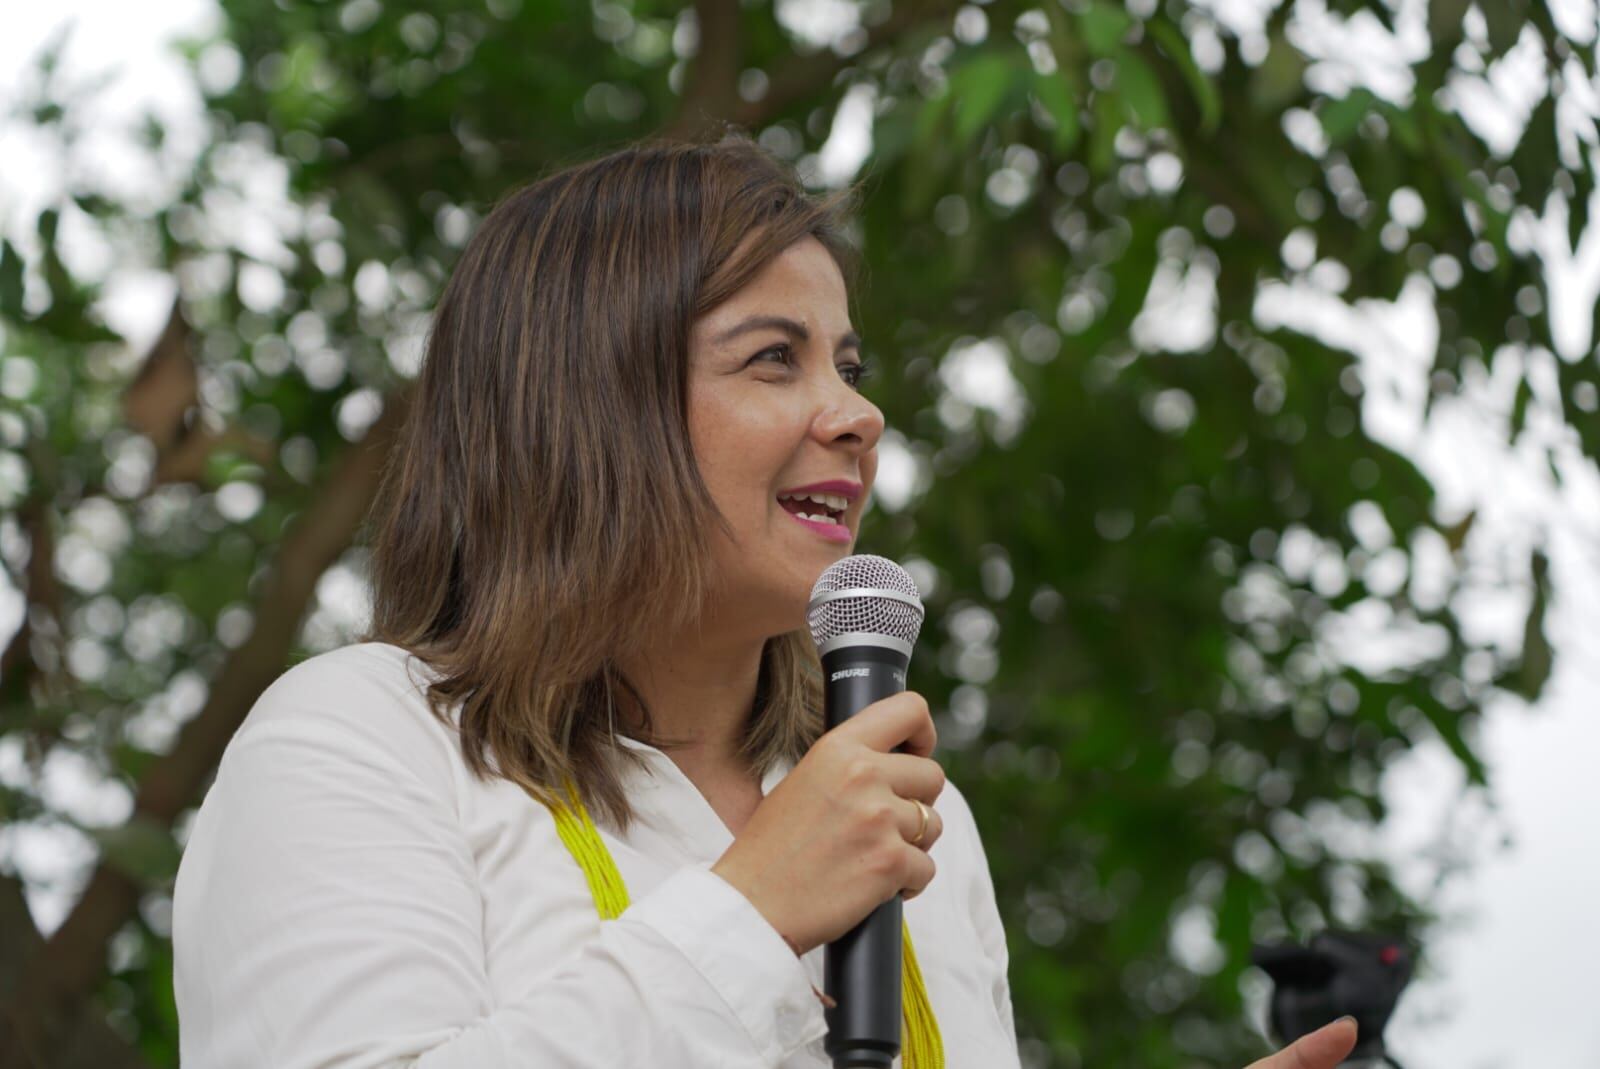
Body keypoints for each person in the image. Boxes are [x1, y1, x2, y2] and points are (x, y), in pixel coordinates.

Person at [170, 133, 1359, 1069]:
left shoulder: (902, 818)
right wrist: (753, 911)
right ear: (586, 411)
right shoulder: (358, 737)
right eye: (771, 359)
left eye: (848, 364)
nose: (856, 415)